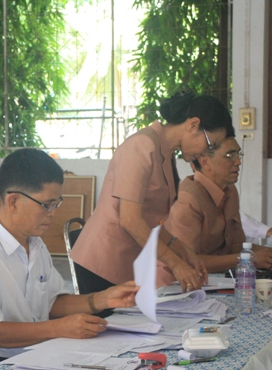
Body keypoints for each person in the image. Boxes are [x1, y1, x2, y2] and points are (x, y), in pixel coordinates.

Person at [0, 149, 139, 370]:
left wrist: (104, 299)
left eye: (56, 204)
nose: (52, 214)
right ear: (14, 201)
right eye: (46, 205)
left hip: (36, 357)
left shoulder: (36, 245)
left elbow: (51, 303)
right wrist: (59, 328)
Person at [71, 91, 232, 294]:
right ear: (193, 125)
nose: (205, 153)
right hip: (103, 260)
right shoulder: (142, 145)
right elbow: (130, 219)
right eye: (210, 144)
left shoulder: (165, 152)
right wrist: (175, 263)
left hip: (128, 262)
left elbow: (151, 219)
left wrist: (182, 250)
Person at [158, 135, 272, 286]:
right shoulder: (186, 200)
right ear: (205, 162)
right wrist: (248, 259)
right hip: (177, 286)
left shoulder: (229, 190)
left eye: (238, 154)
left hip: (216, 280)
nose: (238, 162)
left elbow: (236, 248)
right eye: (230, 155)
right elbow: (188, 261)